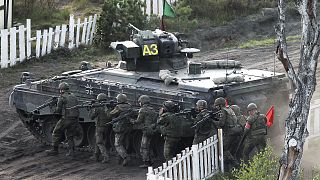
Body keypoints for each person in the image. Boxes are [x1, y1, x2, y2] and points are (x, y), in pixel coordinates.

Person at [46, 82, 79, 157]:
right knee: (70, 135)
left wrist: (53, 107)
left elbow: (58, 111)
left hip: (66, 119)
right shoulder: (73, 96)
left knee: (56, 132)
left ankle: (55, 150)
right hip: (74, 119)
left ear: (61, 90)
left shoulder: (62, 97)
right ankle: (72, 152)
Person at [212, 97, 239, 171]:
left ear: (220, 105)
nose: (216, 107)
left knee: (224, 150)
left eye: (217, 105)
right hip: (234, 131)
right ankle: (228, 168)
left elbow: (221, 124)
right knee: (228, 151)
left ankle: (236, 165)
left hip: (229, 132)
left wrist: (213, 121)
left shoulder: (223, 111)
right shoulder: (229, 109)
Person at [131, 95, 158, 168]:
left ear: (142, 102)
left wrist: (132, 121)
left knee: (144, 147)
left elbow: (139, 121)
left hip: (146, 130)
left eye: (140, 102)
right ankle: (151, 160)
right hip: (151, 130)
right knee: (149, 146)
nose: (139, 103)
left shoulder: (142, 110)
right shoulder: (153, 109)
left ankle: (146, 162)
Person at [110, 93, 132, 166]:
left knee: (117, 144)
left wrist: (109, 108)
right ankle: (120, 158)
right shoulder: (129, 106)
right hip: (128, 127)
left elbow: (111, 114)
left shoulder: (118, 107)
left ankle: (125, 157)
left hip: (120, 127)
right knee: (125, 142)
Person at [89, 93, 112, 163]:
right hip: (106, 127)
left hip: (99, 127)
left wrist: (91, 109)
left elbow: (91, 117)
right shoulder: (108, 107)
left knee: (99, 142)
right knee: (98, 140)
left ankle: (105, 157)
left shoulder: (98, 107)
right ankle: (96, 155)